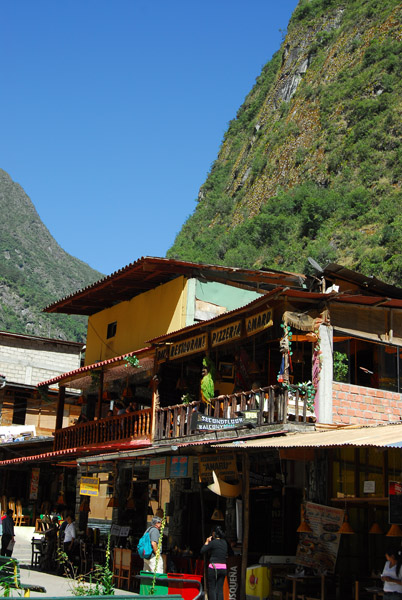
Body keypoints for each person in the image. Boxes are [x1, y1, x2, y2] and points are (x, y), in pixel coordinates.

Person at [200, 525, 230, 600]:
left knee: (212, 588)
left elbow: (202, 550)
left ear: (214, 534)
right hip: (223, 568)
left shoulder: (213, 543)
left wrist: (207, 542)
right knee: (220, 589)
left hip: (213, 568)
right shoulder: (225, 543)